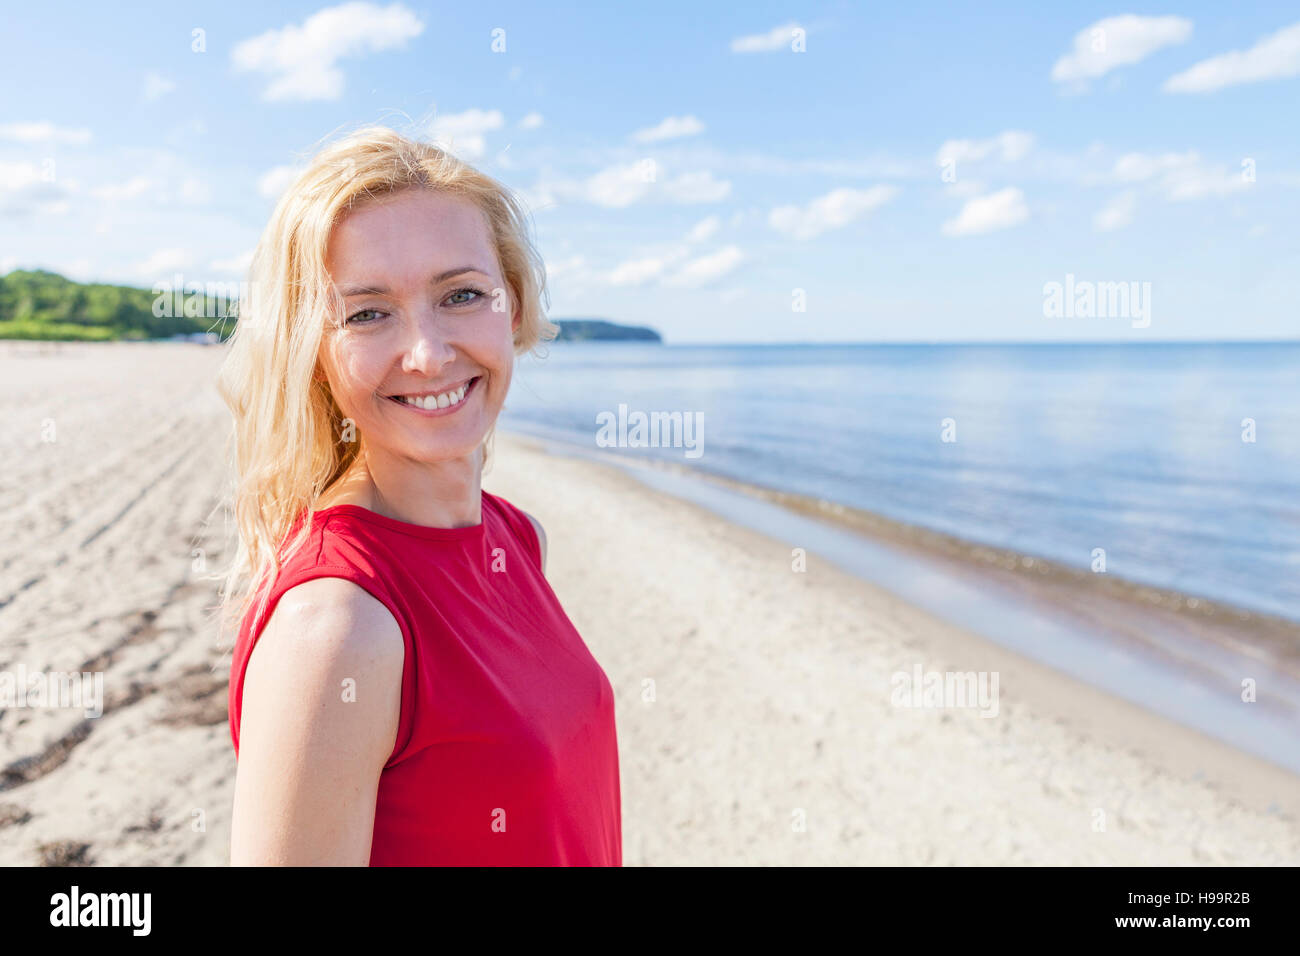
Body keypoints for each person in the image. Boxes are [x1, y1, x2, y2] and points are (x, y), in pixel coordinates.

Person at [216, 125, 622, 866]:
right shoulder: (335, 628)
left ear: (517, 308)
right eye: (367, 312)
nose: (429, 354)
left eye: (461, 294)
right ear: (313, 354)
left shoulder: (514, 537)